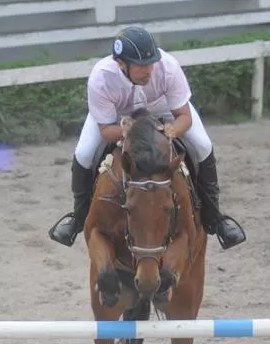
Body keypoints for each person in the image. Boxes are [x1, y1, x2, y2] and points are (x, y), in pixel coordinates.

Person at [48, 25, 246, 250]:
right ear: (122, 64)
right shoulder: (101, 78)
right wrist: (129, 130)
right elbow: (106, 130)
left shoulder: (168, 67)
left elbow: (184, 117)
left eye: (151, 63)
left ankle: (216, 218)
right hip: (118, 118)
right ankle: (77, 218)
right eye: (142, 66)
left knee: (203, 145)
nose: (150, 70)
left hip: (164, 109)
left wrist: (170, 131)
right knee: (84, 153)